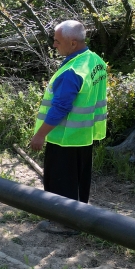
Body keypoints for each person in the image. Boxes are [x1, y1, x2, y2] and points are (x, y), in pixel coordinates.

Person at [30, 20, 108, 234]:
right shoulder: (96, 61)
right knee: (79, 181)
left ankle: (64, 224)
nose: (54, 45)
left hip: (64, 137)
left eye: (57, 41)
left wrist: (40, 135)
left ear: (73, 43)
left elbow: (60, 108)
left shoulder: (72, 71)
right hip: (84, 135)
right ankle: (79, 217)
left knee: (60, 183)